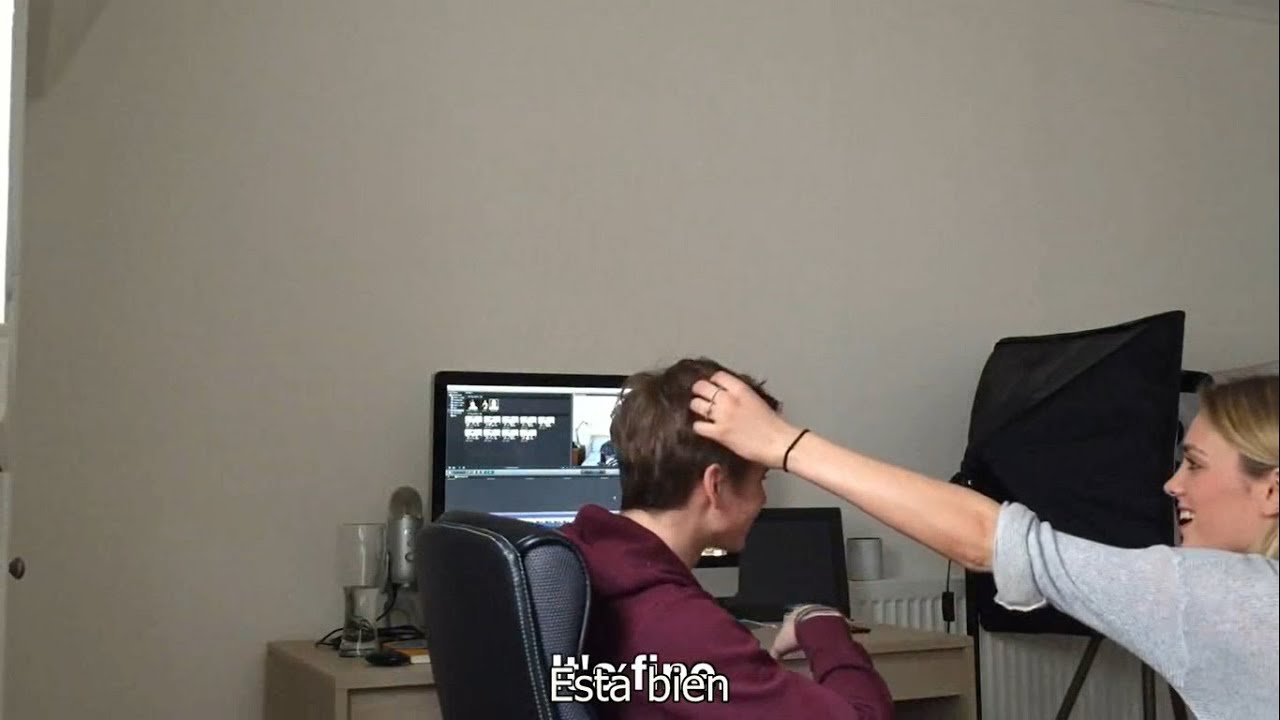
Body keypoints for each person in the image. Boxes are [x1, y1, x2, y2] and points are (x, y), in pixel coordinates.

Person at [689, 371, 1279, 720]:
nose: (1172, 484)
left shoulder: (1230, 599)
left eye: (1194, 464)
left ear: (1273, 489)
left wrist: (784, 444)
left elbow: (989, 539)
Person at [559, 358, 893, 719]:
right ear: (715, 486)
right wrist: (821, 624)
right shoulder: (683, 628)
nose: (763, 499)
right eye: (761, 479)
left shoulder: (569, 564)